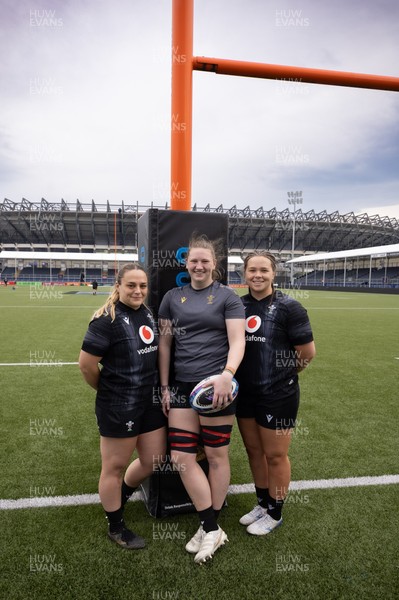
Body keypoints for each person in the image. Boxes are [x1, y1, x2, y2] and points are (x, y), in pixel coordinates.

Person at [158, 234, 245, 564]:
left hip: (216, 388)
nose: (198, 265)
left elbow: (238, 341)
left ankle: (210, 526)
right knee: (181, 457)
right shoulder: (171, 297)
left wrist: (227, 373)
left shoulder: (227, 297)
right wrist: (164, 386)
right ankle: (211, 527)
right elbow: (165, 345)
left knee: (216, 454)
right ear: (186, 263)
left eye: (205, 260)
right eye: (193, 260)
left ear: (215, 264)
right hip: (181, 386)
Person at [79, 263, 166, 549]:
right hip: (119, 404)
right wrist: (107, 390)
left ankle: (123, 495)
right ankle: (116, 526)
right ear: (118, 286)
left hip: (149, 401)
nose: (138, 290)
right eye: (131, 285)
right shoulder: (105, 320)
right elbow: (87, 366)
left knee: (153, 459)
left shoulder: (148, 312)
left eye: (142, 285)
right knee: (114, 467)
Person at [235, 251, 316, 535]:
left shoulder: (289, 307)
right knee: (253, 451)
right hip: (244, 394)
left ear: (274, 273)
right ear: (244, 274)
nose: (257, 275)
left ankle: (276, 512)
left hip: (278, 395)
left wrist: (281, 376)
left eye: (263, 270)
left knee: (276, 455)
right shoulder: (237, 306)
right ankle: (262, 503)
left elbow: (307, 353)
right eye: (252, 270)